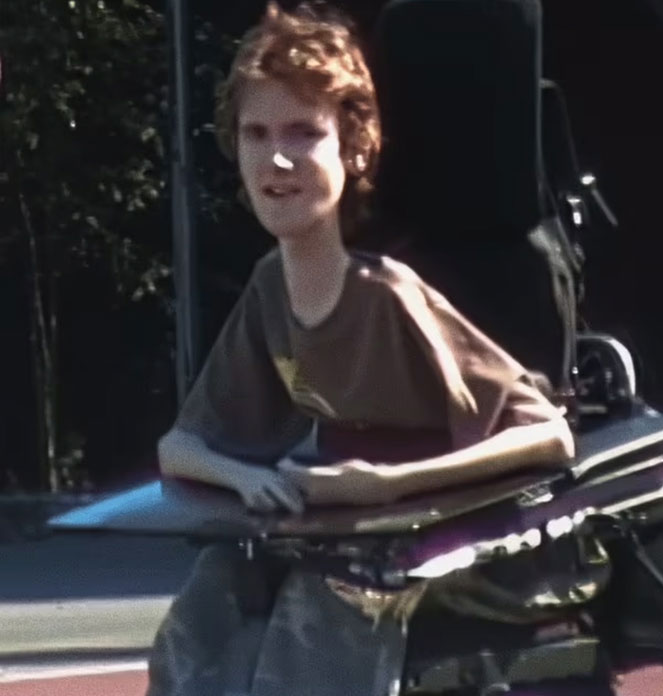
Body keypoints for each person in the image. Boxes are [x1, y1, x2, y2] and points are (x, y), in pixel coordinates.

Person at [146, 3, 575, 695]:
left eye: (303, 133)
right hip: (342, 528)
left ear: (352, 148)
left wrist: (387, 485)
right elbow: (181, 447)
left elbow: (549, 436)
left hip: (455, 533)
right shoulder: (269, 288)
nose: (277, 158)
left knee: (318, 614)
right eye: (257, 134)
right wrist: (243, 477)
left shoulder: (388, 295)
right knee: (209, 602)